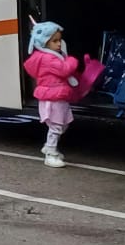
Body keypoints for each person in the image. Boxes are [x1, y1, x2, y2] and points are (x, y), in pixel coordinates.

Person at [24, 20, 82, 167]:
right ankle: (50, 153)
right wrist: (71, 60)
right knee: (56, 126)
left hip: (57, 95)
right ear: (44, 43)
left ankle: (50, 147)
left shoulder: (50, 56)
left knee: (63, 123)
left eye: (59, 40)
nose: (59, 44)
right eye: (54, 41)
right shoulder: (48, 59)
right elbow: (64, 70)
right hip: (53, 97)